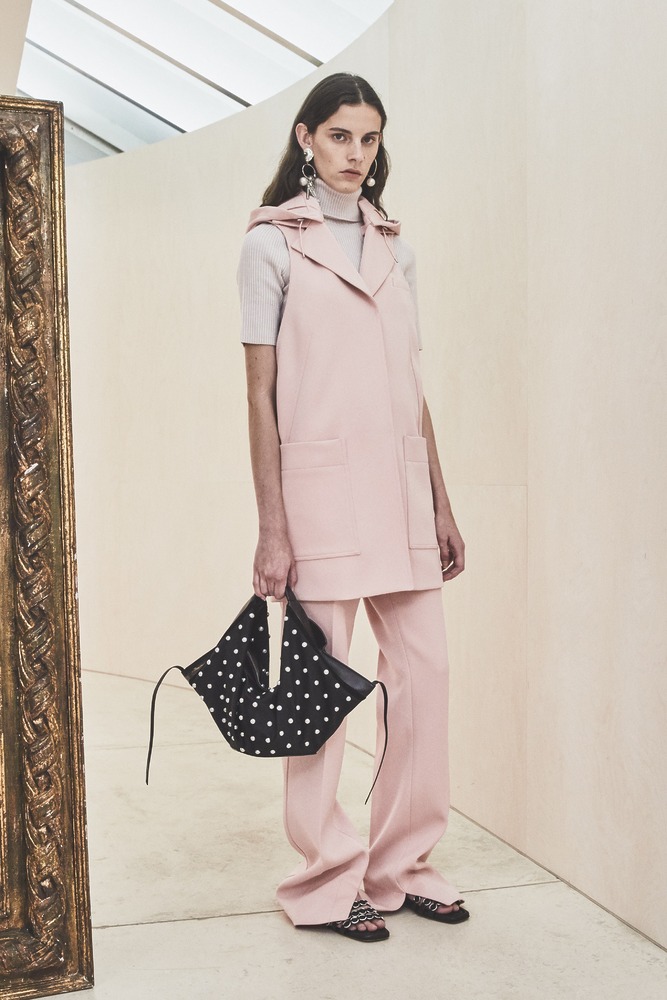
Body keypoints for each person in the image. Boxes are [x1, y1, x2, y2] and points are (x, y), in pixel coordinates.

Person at [238, 72, 467, 942]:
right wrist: (271, 526)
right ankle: (326, 879)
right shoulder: (270, 245)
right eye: (339, 135)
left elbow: (412, 387)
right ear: (306, 137)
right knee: (322, 692)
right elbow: (258, 394)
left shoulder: (395, 249)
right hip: (318, 497)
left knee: (424, 680)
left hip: (400, 492)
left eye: (368, 138)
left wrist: (441, 502)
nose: (355, 153)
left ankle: (401, 864)